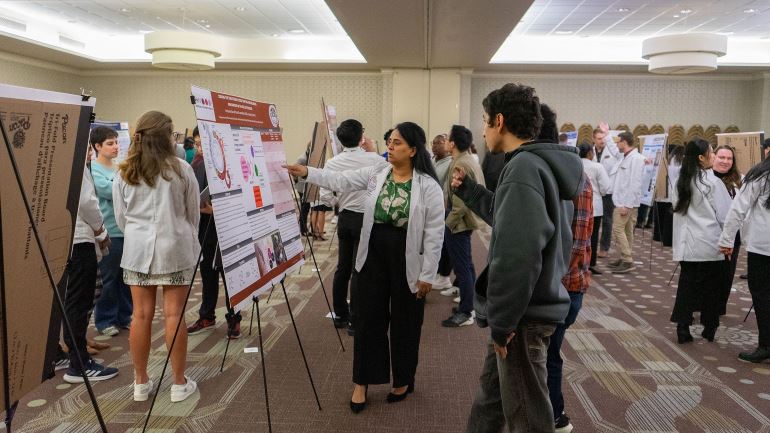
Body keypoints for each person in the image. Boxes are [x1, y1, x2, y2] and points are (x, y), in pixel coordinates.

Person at [284, 121, 444, 414]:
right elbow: (341, 180)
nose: (390, 147)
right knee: (368, 317)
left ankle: (403, 379)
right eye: (390, 142)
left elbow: (435, 233)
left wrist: (427, 274)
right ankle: (362, 382)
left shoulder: (428, 186)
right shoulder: (377, 172)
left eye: (396, 143)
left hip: (408, 256)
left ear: (412, 150)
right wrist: (308, 172)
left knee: (406, 321)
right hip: (372, 252)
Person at [451, 83, 582, 432]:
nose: (481, 129)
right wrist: (469, 191)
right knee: (491, 402)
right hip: (524, 310)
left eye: (483, 120)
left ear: (500, 120)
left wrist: (503, 323)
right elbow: (511, 220)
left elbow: (518, 256)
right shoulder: (535, 165)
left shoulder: (524, 168)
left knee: (526, 416)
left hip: (522, 316)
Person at [113, 111, 200, 403]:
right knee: (174, 315)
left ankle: (140, 382)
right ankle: (178, 383)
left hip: (137, 253)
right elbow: (193, 213)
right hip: (174, 249)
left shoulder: (124, 171)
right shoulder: (181, 169)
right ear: (167, 137)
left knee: (140, 315)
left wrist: (139, 235)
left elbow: (120, 218)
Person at [322, 119, 384, 332]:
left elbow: (325, 196)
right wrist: (374, 149)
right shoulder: (374, 159)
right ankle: (356, 319)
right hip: (366, 219)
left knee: (343, 267)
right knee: (361, 270)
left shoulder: (332, 163)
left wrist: (338, 202)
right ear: (361, 138)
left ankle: (340, 314)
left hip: (345, 218)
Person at [670, 139, 731, 344]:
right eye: (712, 152)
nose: (714, 156)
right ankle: (710, 327)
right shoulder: (712, 182)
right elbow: (724, 215)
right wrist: (728, 240)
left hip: (686, 244)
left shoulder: (680, 181)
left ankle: (683, 327)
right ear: (701, 157)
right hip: (709, 243)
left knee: (686, 286)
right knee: (712, 288)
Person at [61, 164, 118, 383]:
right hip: (78, 238)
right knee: (78, 302)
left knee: (68, 301)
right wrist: (101, 231)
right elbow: (86, 201)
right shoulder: (72, 151)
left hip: (62, 236)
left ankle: (64, 353)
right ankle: (79, 364)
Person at [186, 127, 242, 340]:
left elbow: (238, 196)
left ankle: (234, 318)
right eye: (197, 144)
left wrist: (216, 210)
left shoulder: (228, 164)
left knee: (229, 275)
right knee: (207, 273)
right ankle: (206, 315)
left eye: (203, 144)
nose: (200, 148)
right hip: (202, 227)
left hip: (226, 227)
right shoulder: (195, 164)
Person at [718, 139, 770, 362]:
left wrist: (727, 239)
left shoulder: (759, 174)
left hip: (763, 246)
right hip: (762, 243)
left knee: (762, 294)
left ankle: (766, 345)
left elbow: (738, 209)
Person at [90, 126, 133, 336]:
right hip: (108, 232)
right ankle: (105, 320)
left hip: (126, 230)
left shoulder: (119, 168)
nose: (115, 147)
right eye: (110, 143)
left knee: (126, 277)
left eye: (116, 142)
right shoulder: (93, 170)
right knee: (108, 279)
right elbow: (109, 191)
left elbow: (128, 190)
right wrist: (120, 185)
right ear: (97, 146)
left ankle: (125, 316)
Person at [441, 125, 485, 327]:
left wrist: (447, 223)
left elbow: (459, 202)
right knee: (466, 264)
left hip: (458, 221)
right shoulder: (467, 160)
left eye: (447, 139)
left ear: (452, 143)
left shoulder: (461, 165)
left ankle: (466, 312)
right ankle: (471, 304)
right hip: (464, 219)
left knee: (462, 268)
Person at [603, 127, 645, 274]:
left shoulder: (637, 159)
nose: (616, 145)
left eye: (618, 142)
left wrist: (627, 205)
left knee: (618, 229)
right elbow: (614, 151)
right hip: (622, 201)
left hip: (626, 203)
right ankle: (624, 257)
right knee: (627, 231)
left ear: (624, 142)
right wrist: (607, 134)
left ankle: (627, 259)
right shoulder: (625, 156)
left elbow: (635, 184)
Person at [713, 145, 742, 315]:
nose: (725, 161)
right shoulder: (705, 178)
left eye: (729, 158)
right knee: (707, 273)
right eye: (721, 157)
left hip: (732, 235)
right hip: (709, 234)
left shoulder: (739, 180)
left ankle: (718, 307)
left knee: (726, 273)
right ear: (713, 157)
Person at [578, 142, 611, 275]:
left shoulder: (575, 164)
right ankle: (590, 263)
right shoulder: (597, 167)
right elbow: (605, 187)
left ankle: (575, 261)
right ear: (590, 153)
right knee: (592, 235)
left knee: (576, 233)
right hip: (594, 206)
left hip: (576, 204)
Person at [592, 126, 621, 258]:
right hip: (594, 191)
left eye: (603, 138)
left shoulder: (612, 151)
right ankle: (591, 245)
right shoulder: (589, 151)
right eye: (599, 138)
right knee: (592, 220)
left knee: (607, 220)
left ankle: (604, 247)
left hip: (608, 191)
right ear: (594, 139)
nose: (601, 141)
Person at [431, 134, 454, 291]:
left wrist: (444, 209)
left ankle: (445, 276)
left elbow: (447, 189)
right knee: (435, 242)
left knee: (446, 243)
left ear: (447, 145)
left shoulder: (450, 163)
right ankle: (438, 273)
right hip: (431, 208)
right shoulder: (432, 160)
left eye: (439, 143)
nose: (435, 145)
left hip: (443, 208)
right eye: (433, 142)